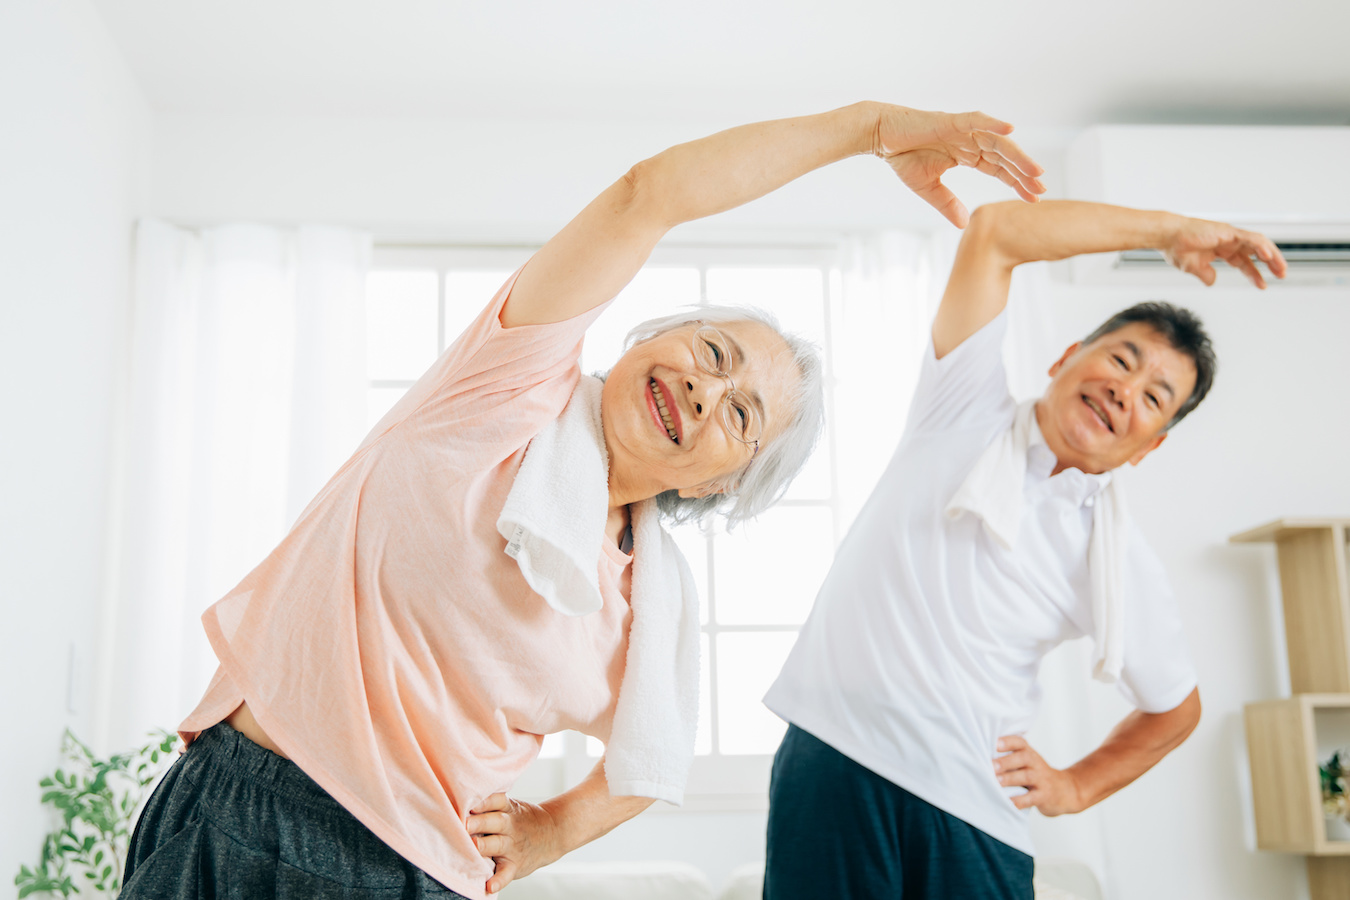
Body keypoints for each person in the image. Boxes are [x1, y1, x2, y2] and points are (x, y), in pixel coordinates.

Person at [119, 101, 1047, 900]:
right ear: (654, 337)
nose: (702, 390)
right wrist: (870, 128)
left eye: (741, 414)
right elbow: (652, 194)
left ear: (719, 482)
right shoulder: (506, 389)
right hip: (243, 807)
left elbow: (648, 761)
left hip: (415, 871)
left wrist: (553, 830)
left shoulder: (645, 604)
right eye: (711, 353)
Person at [762, 199, 1288, 899]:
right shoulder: (962, 405)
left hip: (974, 814)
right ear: (1069, 357)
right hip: (836, 760)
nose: (1122, 390)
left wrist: (1076, 785)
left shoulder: (1116, 557)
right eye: (1120, 359)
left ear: (1150, 444)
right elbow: (995, 233)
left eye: (1153, 396)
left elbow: (1175, 709)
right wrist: (1168, 231)